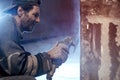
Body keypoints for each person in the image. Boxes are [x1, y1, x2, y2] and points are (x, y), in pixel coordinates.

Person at [0, 0, 69, 79]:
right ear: (20, 11)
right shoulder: (4, 27)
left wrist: (50, 59)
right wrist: (49, 56)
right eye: (35, 15)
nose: (38, 20)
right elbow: (18, 66)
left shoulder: (9, 28)